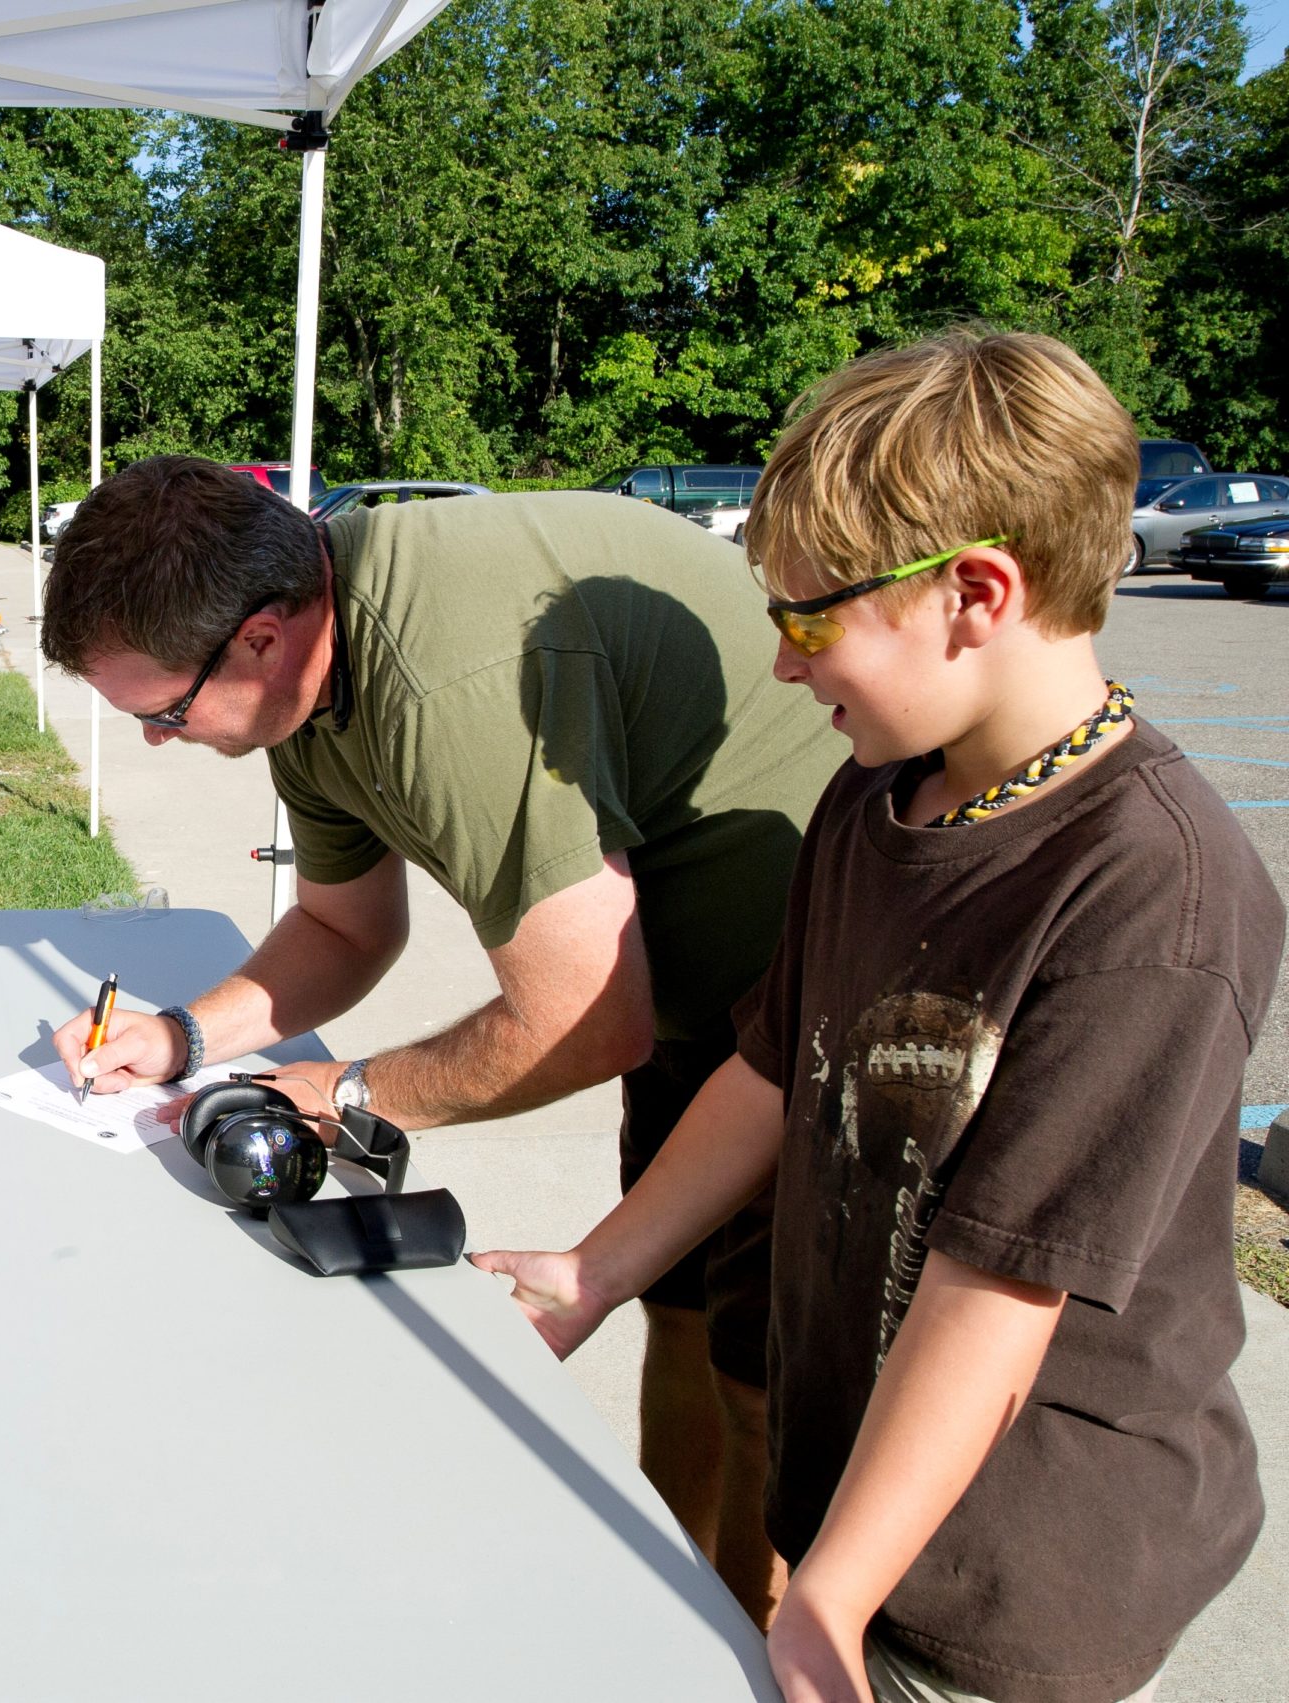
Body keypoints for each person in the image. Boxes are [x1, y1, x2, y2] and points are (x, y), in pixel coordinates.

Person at [477, 330, 1282, 1703]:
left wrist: (830, 1598)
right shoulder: (880, 790)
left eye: (807, 618)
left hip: (1019, 1571)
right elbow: (778, 1065)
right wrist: (598, 1267)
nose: (785, 668)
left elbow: (1000, 1288)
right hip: (856, 1501)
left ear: (975, 592)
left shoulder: (1156, 894)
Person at [43, 455, 846, 1621]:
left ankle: (752, 1647)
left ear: (261, 638)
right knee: (678, 1311)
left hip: (811, 1003)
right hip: (694, 1005)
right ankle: (688, 1616)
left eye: (162, 710)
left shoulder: (443, 680)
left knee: (762, 1377)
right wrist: (178, 1037)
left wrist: (353, 1089)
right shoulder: (306, 683)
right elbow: (340, 926)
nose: (161, 740)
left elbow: (580, 1016)